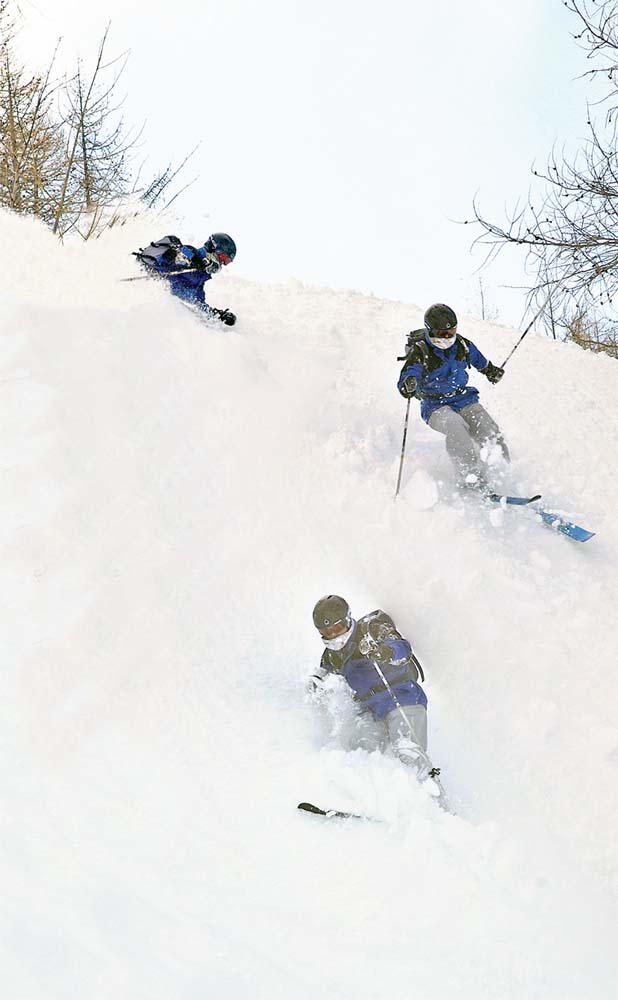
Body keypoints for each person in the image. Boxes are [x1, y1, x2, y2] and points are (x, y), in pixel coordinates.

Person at [310, 594, 445, 802]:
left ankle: (436, 805)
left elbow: (403, 649)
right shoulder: (331, 655)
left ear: (347, 620)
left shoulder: (371, 628)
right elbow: (325, 674)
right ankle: (373, 804)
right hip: (370, 711)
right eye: (325, 633)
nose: (333, 636)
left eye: (336, 629)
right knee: (362, 751)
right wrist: (316, 683)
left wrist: (384, 652)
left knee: (406, 751)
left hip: (402, 698)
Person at [397, 303, 508, 490]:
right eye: (442, 334)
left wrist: (491, 371)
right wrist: (408, 384)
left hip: (464, 398)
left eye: (451, 332)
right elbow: (407, 376)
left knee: (489, 430)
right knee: (456, 426)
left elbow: (481, 362)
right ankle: (471, 478)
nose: (448, 337)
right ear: (430, 331)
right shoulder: (421, 351)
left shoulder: (462, 345)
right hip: (435, 406)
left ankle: (503, 474)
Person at [133, 233, 237, 326]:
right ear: (212, 248)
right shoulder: (191, 254)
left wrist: (217, 315)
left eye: (226, 261)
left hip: (159, 308)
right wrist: (189, 258)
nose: (222, 263)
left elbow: (198, 303)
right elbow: (179, 252)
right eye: (223, 257)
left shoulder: (201, 276)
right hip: (142, 287)